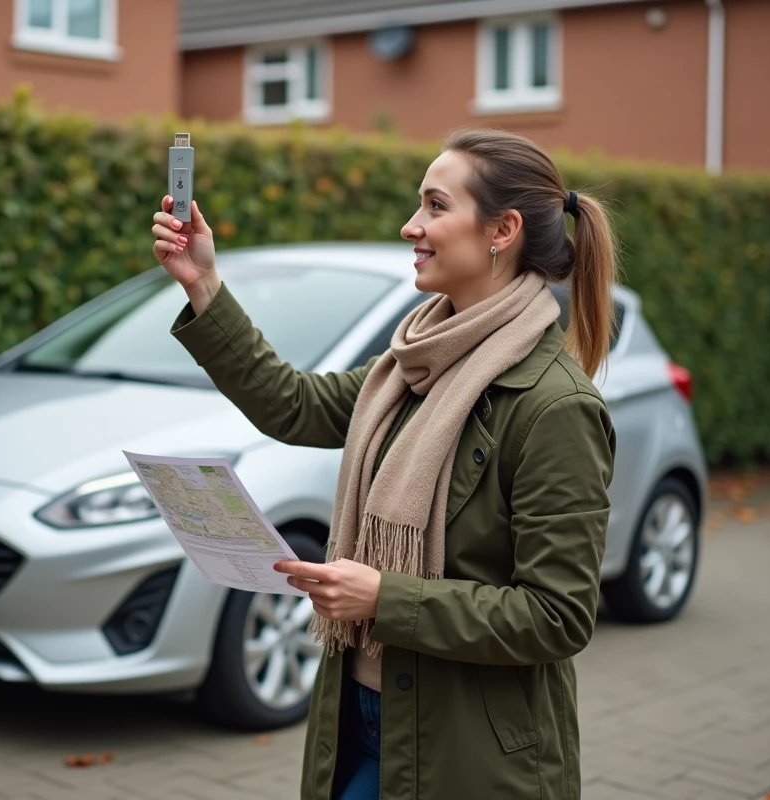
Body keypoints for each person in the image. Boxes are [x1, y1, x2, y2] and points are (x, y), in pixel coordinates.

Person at [150, 127, 618, 800]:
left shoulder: (555, 407)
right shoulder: (412, 364)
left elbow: (557, 616)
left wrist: (383, 598)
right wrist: (203, 285)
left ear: (502, 230)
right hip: (364, 717)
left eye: (435, 206)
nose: (410, 226)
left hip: (471, 754)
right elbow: (294, 405)